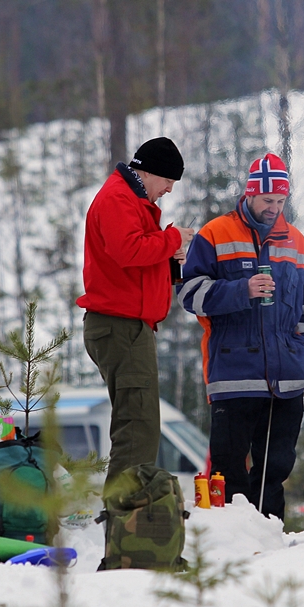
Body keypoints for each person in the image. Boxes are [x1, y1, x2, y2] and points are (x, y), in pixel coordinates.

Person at [177, 153, 304, 519]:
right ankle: (231, 541)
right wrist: (242, 290)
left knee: (275, 468)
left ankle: (269, 536)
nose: (274, 208)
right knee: (228, 468)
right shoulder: (215, 233)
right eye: (267, 200)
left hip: (286, 378)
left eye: (280, 201)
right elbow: (189, 294)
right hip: (234, 375)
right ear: (249, 194)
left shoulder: (298, 243)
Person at [76, 137, 195, 486]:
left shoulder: (129, 200)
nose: (170, 190)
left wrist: (169, 264)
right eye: (168, 181)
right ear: (149, 172)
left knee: (138, 422)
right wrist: (173, 240)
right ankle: (125, 515)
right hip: (120, 326)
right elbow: (128, 250)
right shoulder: (117, 199)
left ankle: (128, 512)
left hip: (127, 326)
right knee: (137, 424)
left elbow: (131, 264)